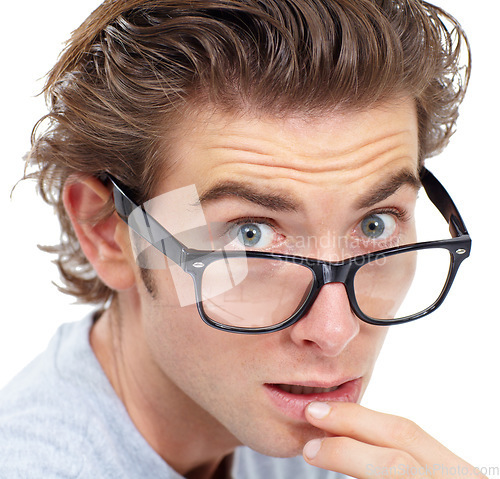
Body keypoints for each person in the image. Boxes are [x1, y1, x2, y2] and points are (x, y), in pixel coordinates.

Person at [0, 0, 485, 477]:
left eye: (374, 223)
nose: (335, 333)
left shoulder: (327, 448)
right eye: (249, 235)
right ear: (108, 232)